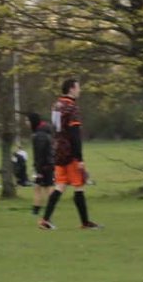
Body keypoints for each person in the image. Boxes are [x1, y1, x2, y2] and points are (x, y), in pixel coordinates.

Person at [38, 77, 100, 231]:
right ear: (71, 88)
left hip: (58, 150)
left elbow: (55, 128)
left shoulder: (56, 105)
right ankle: (85, 222)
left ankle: (45, 219)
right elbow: (74, 133)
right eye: (78, 87)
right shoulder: (72, 107)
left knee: (60, 185)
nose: (80, 90)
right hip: (70, 151)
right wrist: (79, 157)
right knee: (79, 186)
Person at [27, 112, 54, 215]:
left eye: (27, 121)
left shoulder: (39, 135)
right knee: (38, 187)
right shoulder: (41, 132)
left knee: (47, 187)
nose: (26, 123)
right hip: (46, 164)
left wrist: (39, 169)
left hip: (44, 165)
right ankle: (36, 210)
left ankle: (49, 208)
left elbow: (40, 153)